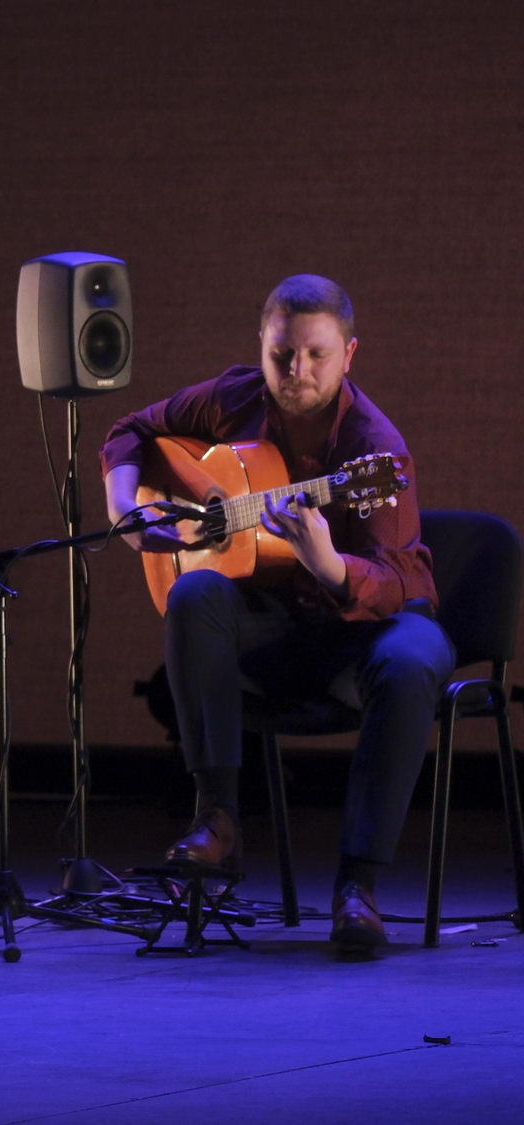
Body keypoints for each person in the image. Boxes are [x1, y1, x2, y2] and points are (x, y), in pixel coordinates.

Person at [100, 274, 452, 954]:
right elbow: (133, 430)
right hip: (276, 622)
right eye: (282, 354)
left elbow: (399, 579)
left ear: (349, 353)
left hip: (366, 631)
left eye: (317, 354)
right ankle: (219, 820)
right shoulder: (236, 398)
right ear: (261, 346)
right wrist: (126, 511)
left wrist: (328, 563)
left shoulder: (373, 450)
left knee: (412, 660)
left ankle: (358, 887)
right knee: (195, 593)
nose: (297, 371)